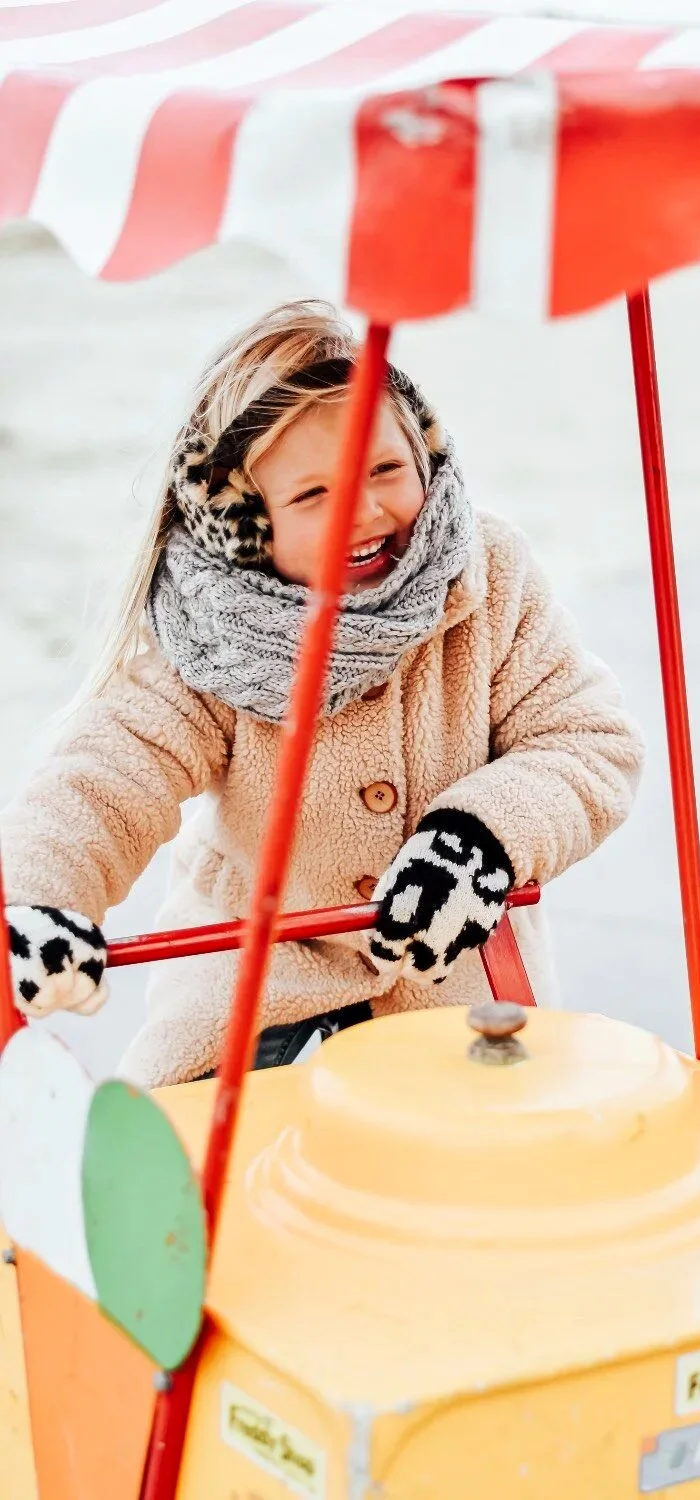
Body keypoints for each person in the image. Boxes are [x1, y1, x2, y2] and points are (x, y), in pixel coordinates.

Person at [0, 301, 644, 1088]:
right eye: (313, 496)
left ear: (426, 456)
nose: (365, 512)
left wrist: (479, 841)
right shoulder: (213, 632)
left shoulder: (488, 574)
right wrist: (45, 896)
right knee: (204, 1171)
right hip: (256, 994)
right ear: (248, 524)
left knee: (482, 1179)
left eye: (385, 471)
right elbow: (107, 774)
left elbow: (586, 742)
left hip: (450, 989)